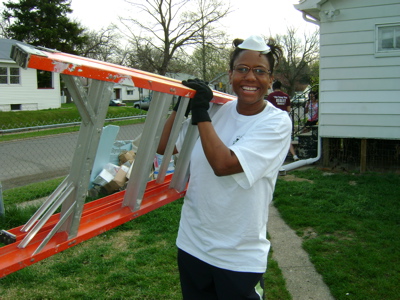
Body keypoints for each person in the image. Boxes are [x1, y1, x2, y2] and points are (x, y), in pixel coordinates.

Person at [157, 35, 292, 300]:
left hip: (238, 256)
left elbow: (224, 164)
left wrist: (200, 113)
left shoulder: (277, 123)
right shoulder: (217, 112)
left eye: (259, 71)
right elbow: (165, 147)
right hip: (192, 243)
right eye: (242, 69)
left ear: (270, 77)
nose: (250, 77)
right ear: (231, 74)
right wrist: (181, 106)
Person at [267, 80, 299, 161]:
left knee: (273, 138)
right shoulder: (286, 96)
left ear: (273, 87)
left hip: (274, 119)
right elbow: (288, 109)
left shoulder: (271, 96)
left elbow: (268, 109)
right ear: (280, 87)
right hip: (284, 119)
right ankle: (294, 156)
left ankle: (275, 157)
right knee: (287, 138)